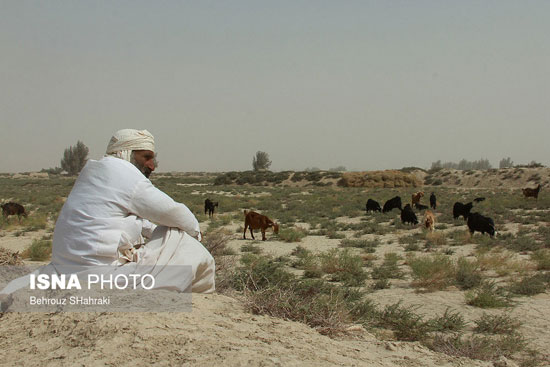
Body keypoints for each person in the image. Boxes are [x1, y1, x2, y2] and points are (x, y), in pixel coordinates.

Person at [1, 129, 215, 300]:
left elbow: (137, 222)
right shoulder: (125, 174)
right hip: (99, 278)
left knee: (153, 229)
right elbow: (177, 213)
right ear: (126, 154)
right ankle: (203, 303)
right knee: (184, 240)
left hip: (64, 270)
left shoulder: (94, 171)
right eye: (146, 157)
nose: (152, 165)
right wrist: (195, 234)